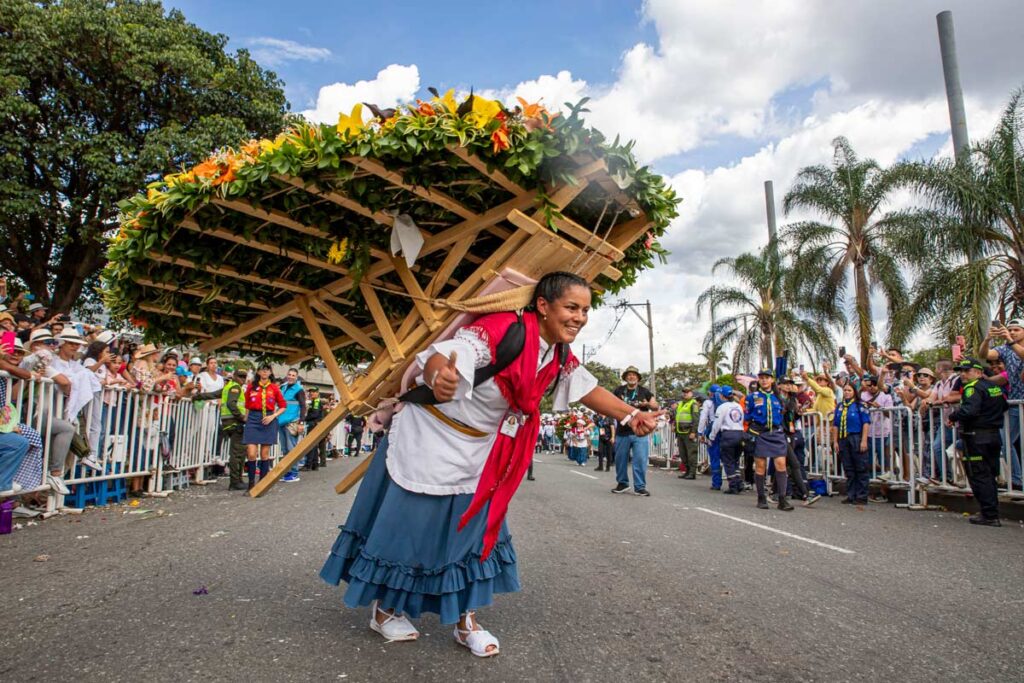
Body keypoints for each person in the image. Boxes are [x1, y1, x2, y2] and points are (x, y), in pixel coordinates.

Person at [319, 272, 661, 656]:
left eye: (585, 310)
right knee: (409, 530)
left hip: (482, 450)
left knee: (475, 534)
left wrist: (631, 417)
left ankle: (466, 622)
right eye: (571, 307)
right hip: (429, 438)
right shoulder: (503, 328)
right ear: (543, 306)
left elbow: (585, 388)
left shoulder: (558, 353)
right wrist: (440, 377)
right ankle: (384, 610)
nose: (579, 317)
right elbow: (453, 354)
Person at [948, 357, 1008, 526]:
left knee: (979, 475)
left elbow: (969, 411)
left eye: (967, 371)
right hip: (994, 435)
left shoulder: (971, 388)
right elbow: (1004, 406)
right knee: (989, 475)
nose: (963, 375)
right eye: (961, 371)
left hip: (977, 437)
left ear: (979, 372)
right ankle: (990, 511)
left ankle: (989, 514)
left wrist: (953, 416)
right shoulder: (994, 387)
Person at [978, 321, 1024, 490]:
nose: (1012, 332)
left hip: (1020, 402)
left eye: (1016, 330)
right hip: (1014, 402)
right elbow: (985, 355)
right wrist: (987, 339)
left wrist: (1009, 339)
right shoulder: (1005, 349)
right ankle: (1017, 480)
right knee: (1005, 440)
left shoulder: (1012, 345)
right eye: (1010, 329)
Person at [745, 369, 793, 511]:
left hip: (776, 432)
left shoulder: (778, 397)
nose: (764, 380)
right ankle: (761, 497)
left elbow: (786, 413)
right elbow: (747, 416)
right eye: (761, 378)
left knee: (781, 464)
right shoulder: (752, 397)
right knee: (760, 466)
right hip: (760, 432)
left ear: (772, 380)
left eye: (767, 377)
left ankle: (782, 499)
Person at [610, 366, 659, 496]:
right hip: (622, 431)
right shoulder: (619, 390)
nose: (631, 377)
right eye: (629, 375)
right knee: (620, 459)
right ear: (625, 377)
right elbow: (610, 405)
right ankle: (622, 483)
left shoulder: (645, 392)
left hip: (639, 432)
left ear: (638, 377)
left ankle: (640, 487)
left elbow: (655, 406)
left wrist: (647, 404)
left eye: (634, 375)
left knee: (640, 460)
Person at [242, 365, 286, 490]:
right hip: (253, 419)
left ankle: (262, 484)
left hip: (268, 419)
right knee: (251, 453)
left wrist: (273, 416)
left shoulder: (274, 388)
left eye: (267, 369)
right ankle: (251, 484)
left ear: (270, 372)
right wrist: (246, 419)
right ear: (258, 372)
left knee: (265, 453)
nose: (265, 371)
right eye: (262, 369)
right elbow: (247, 404)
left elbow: (283, 405)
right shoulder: (252, 386)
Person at [778, 377, 819, 506]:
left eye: (790, 384)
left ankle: (775, 492)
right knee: (794, 464)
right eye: (785, 384)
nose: (788, 386)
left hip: (791, 433)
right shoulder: (776, 399)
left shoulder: (792, 399)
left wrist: (798, 412)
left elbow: (792, 416)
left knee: (784, 465)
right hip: (779, 434)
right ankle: (805, 494)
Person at [832, 384, 871, 505]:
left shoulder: (860, 405)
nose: (847, 392)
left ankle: (861, 496)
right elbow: (835, 425)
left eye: (849, 390)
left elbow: (865, 423)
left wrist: (863, 440)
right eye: (845, 390)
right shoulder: (840, 406)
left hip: (856, 437)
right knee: (848, 468)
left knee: (861, 467)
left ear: (854, 391)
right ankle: (851, 494)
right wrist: (835, 441)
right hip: (843, 438)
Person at [709, 386, 745, 494]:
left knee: (728, 461)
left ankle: (733, 485)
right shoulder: (738, 406)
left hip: (728, 434)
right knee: (735, 461)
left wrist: (712, 436)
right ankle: (739, 482)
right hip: (739, 433)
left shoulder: (722, 407)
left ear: (721, 395)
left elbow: (717, 423)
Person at [278, 368, 307, 483]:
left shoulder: (299, 390)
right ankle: (287, 472)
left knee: (291, 449)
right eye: (289, 374)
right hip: (281, 421)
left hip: (292, 422)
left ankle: (294, 473)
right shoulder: (283, 387)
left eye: (293, 375)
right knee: (285, 449)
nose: (291, 377)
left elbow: (303, 406)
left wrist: (301, 422)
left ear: (296, 377)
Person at [698, 384, 722, 490]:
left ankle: (716, 483)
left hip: (713, 431)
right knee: (729, 458)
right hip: (727, 431)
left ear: (710, 393)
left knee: (714, 457)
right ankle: (734, 483)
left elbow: (703, 418)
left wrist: (700, 432)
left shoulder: (708, 403)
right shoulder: (728, 402)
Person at [674, 387, 699, 479]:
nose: (685, 394)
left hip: (689, 432)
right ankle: (687, 471)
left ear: (691, 393)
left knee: (691, 453)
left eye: (687, 392)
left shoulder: (694, 404)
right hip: (681, 432)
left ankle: (692, 473)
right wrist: (674, 426)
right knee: (683, 454)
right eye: (684, 392)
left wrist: (693, 432)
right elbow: (678, 416)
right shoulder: (681, 404)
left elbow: (696, 420)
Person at [305, 386, 327, 470]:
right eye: (310, 391)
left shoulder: (316, 401)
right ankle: (314, 464)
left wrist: (304, 418)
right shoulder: (314, 401)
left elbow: (314, 414)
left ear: (318, 393)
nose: (312, 393)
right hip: (314, 424)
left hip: (313, 424)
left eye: (314, 392)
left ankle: (309, 465)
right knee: (313, 445)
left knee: (311, 444)